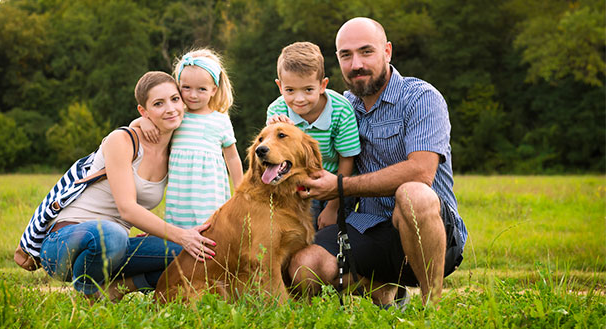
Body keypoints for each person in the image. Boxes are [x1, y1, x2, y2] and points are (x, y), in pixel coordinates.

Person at [289, 17, 468, 306]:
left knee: (413, 194)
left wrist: (341, 187)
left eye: (366, 51)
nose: (356, 63)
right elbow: (299, 117)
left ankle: (432, 305)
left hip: (431, 231)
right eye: (346, 55)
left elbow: (422, 171)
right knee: (304, 266)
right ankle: (386, 289)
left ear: (387, 51)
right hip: (369, 227)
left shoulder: (421, 97)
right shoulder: (341, 108)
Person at [39, 71, 217, 302]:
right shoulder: (122, 140)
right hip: (65, 244)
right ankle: (86, 294)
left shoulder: (176, 149)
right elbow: (127, 209)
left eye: (175, 99)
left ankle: (117, 289)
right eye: (158, 104)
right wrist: (181, 235)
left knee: (192, 254)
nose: (171, 108)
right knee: (111, 233)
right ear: (143, 111)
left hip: (115, 247)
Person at [132, 48, 243, 229]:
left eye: (201, 89)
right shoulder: (176, 116)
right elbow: (136, 125)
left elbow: (232, 156)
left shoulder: (220, 120)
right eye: (186, 88)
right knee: (179, 238)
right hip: (181, 191)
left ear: (213, 89)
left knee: (211, 232)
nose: (193, 95)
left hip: (209, 191)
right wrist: (143, 121)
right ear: (178, 85)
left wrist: (240, 190)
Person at [265, 41, 361, 230]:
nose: (299, 99)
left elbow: (347, 159)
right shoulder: (277, 110)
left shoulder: (341, 110)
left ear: (322, 85)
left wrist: (334, 207)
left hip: (336, 185)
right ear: (280, 86)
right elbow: (275, 159)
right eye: (290, 90)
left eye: (308, 90)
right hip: (297, 185)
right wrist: (280, 134)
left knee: (332, 234)